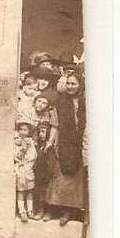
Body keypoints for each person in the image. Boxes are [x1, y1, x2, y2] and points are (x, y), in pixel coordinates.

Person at [42, 72, 88, 226]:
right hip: (63, 144)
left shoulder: (85, 101)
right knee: (59, 176)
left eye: (73, 84)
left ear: (80, 85)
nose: (70, 87)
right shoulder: (59, 102)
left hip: (80, 144)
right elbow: (55, 124)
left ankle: (68, 211)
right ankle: (52, 208)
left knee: (75, 179)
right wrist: (50, 141)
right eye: (68, 83)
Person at [13, 120, 38, 223]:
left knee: (29, 191)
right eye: (21, 130)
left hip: (28, 168)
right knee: (21, 191)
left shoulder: (30, 142)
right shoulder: (15, 142)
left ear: (29, 131)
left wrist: (27, 158)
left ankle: (30, 210)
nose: (23, 132)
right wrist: (20, 153)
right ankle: (22, 211)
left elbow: (34, 155)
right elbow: (14, 155)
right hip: (20, 168)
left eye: (25, 130)